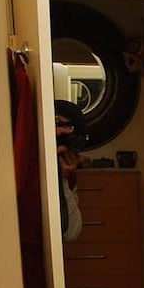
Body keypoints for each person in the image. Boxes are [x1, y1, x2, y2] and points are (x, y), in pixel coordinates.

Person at [55, 99, 88, 241]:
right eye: (57, 122)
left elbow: (71, 232)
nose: (63, 131)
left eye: (70, 128)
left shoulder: (68, 174)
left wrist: (62, 180)